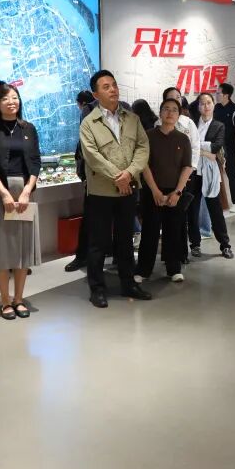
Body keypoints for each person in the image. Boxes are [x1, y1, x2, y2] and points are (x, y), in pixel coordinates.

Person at [79, 70, 151, 307]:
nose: (113, 90)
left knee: (125, 239)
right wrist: (117, 177)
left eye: (114, 85)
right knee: (98, 242)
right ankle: (97, 288)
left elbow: (143, 148)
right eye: (106, 87)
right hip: (101, 192)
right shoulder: (89, 123)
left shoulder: (132, 119)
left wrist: (129, 174)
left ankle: (128, 283)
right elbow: (92, 156)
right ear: (95, 94)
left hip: (128, 189)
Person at [0, 85, 43, 319]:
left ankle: (19, 299)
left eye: (15, 97)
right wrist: (4, 194)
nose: (11, 102)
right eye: (5, 98)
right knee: (2, 248)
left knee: (22, 248)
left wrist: (27, 190)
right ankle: (5, 301)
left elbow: (35, 162)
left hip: (25, 191)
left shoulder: (28, 128)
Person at [137, 98, 193, 282]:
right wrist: (155, 191)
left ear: (179, 115)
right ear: (160, 113)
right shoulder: (148, 136)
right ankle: (143, 270)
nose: (170, 113)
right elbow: (144, 165)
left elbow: (187, 167)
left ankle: (173, 269)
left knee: (173, 231)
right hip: (152, 191)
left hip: (174, 192)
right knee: (149, 232)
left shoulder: (183, 139)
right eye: (166, 109)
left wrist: (178, 192)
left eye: (174, 110)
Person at [193, 92, 234, 258]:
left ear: (213, 105)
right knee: (192, 210)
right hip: (193, 172)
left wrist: (198, 148)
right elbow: (189, 145)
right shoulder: (192, 124)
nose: (206, 106)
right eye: (202, 103)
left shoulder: (219, 126)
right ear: (198, 106)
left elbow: (216, 147)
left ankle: (225, 245)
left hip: (210, 173)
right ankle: (194, 244)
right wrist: (206, 151)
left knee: (215, 210)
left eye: (209, 102)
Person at [162, 87, 201, 261]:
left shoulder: (188, 123)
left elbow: (196, 148)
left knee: (182, 214)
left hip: (186, 176)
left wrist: (190, 169)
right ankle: (169, 255)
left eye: (178, 97)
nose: (175, 100)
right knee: (167, 216)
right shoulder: (158, 124)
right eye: (171, 98)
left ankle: (182, 253)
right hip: (165, 178)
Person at [65, 89, 94, 273]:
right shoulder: (92, 111)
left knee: (91, 219)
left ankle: (83, 256)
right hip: (94, 179)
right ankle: (84, 256)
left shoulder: (88, 111)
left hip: (99, 180)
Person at [214, 82, 235, 213]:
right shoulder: (216, 108)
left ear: (226, 95)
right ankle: (217, 203)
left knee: (231, 174)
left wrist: (229, 139)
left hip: (229, 148)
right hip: (214, 146)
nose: (216, 95)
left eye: (218, 93)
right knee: (214, 174)